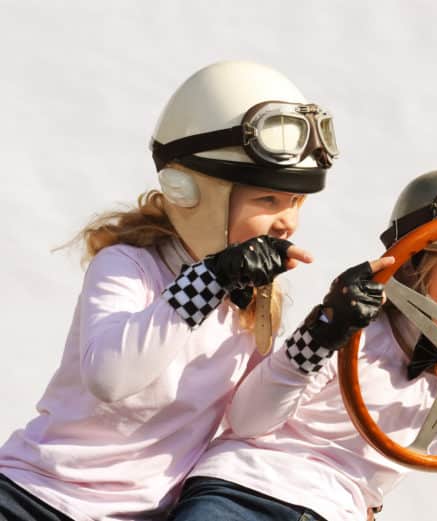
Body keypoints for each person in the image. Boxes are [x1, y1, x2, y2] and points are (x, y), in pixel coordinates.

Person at [0, 60, 339, 521]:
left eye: (296, 202)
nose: (288, 221)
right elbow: (110, 376)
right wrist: (211, 279)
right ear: (192, 191)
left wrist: (317, 338)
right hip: (35, 497)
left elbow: (249, 421)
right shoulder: (127, 265)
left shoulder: (256, 299)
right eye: (268, 200)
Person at [168, 169, 437, 521]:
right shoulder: (352, 339)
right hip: (241, 495)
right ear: (410, 276)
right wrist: (321, 334)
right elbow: (247, 421)